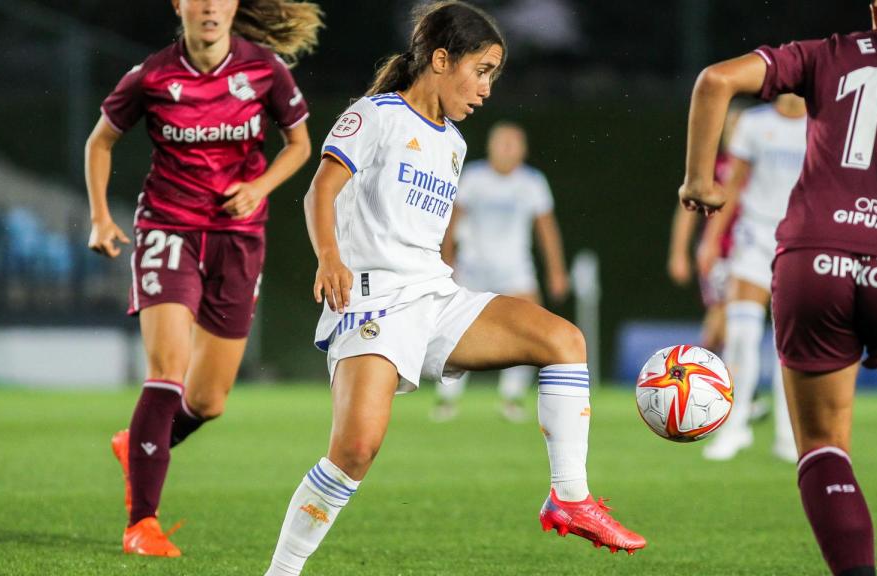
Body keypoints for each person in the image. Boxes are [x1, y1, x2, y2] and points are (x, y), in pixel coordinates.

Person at [263, 3, 645, 574]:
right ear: (440, 60)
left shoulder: (455, 144)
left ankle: (570, 497)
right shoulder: (375, 115)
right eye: (481, 70)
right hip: (372, 301)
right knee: (355, 451)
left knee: (564, 341)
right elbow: (320, 190)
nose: (487, 88)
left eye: (493, 75)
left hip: (436, 296)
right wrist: (330, 257)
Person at [679, 1, 877, 574]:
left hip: (813, 259)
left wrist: (700, 181)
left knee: (823, 445)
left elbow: (716, 79)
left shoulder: (830, 53)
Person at [85, 0, 321, 557]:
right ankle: (142, 525)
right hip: (169, 229)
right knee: (167, 369)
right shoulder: (151, 75)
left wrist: (258, 188)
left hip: (238, 240)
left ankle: (137, 444)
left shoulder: (265, 69)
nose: (211, 6)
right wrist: (99, 216)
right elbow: (100, 141)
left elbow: (300, 145)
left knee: (209, 400)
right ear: (180, 5)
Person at [432, 120, 569, 423]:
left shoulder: (532, 182)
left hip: (515, 270)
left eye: (513, 143)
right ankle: (447, 397)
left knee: (532, 328)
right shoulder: (474, 177)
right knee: (457, 330)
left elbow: (546, 229)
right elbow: (452, 220)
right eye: (502, 143)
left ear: (523, 149)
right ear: (491, 147)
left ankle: (511, 396)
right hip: (473, 268)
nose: (507, 149)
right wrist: (446, 259)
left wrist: (557, 271)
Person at [697, 95, 806, 463]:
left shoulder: (825, 123)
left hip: (802, 240)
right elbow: (732, 184)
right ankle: (734, 427)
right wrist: (711, 240)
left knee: (789, 342)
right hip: (754, 237)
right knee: (741, 335)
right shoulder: (754, 123)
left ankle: (789, 435)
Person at [667, 107, 743, 354]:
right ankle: (708, 367)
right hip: (719, 252)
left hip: (751, 250)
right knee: (724, 312)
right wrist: (678, 253)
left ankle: (707, 367)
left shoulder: (758, 166)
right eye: (730, 127)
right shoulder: (713, 168)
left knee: (732, 314)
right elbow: (687, 211)